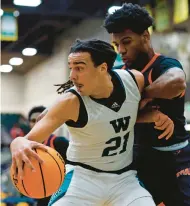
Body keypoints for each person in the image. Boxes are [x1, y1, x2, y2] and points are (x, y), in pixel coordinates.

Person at [10, 39, 173, 206]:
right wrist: (17, 142)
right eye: (71, 68)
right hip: (81, 178)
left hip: (124, 179)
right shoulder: (70, 102)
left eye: (79, 68)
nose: (72, 76)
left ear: (102, 68)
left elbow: (128, 113)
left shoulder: (134, 80)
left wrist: (154, 115)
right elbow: (28, 139)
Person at [104, 3, 190, 206]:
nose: (121, 50)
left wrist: (140, 96)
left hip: (176, 155)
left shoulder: (165, 65)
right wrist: (145, 111)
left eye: (126, 42)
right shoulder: (120, 74)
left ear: (145, 36)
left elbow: (176, 83)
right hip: (141, 156)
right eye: (117, 46)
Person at [28, 106, 69, 206]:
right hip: (40, 195)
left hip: (60, 194)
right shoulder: (26, 147)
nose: (36, 123)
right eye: (33, 120)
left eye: (40, 119)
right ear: (29, 123)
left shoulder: (59, 142)